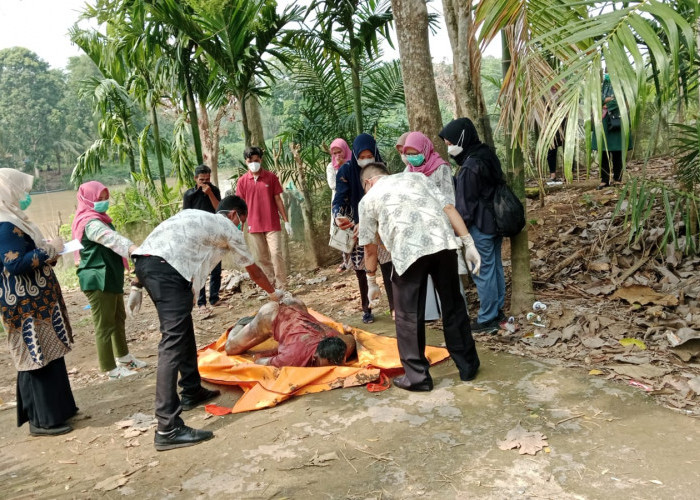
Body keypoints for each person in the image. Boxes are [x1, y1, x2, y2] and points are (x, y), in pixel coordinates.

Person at [131, 195, 285, 451]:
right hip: (167, 271)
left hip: (149, 265)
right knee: (171, 342)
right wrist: (273, 293)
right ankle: (167, 427)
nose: (241, 227)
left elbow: (156, 244)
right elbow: (252, 269)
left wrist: (137, 283)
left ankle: (191, 389)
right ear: (235, 214)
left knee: (181, 330)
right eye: (242, 221)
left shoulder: (192, 216)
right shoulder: (226, 227)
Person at [358, 164, 481, 391]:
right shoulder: (417, 177)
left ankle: (417, 377)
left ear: (367, 183)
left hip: (409, 252)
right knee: (453, 305)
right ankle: (468, 366)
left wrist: (371, 281)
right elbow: (449, 208)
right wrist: (469, 243)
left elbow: (370, 249)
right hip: (443, 244)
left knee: (408, 316)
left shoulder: (368, 199)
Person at [0, 168, 78, 436]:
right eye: (21, 190)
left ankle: (61, 409)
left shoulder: (16, 221)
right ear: (8, 191)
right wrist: (49, 248)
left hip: (38, 301)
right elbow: (15, 263)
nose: (26, 195)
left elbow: (30, 253)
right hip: (24, 306)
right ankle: (42, 421)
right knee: (35, 358)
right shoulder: (4, 226)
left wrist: (50, 252)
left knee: (50, 355)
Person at [72, 181, 147, 379]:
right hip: (97, 279)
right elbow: (110, 238)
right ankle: (109, 368)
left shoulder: (100, 218)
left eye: (106, 198)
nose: (104, 202)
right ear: (87, 199)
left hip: (109, 277)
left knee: (118, 318)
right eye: (100, 199)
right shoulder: (90, 222)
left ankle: (124, 357)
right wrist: (133, 250)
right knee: (104, 324)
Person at [439, 117, 507, 334]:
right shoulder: (486, 154)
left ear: (463, 138)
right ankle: (497, 311)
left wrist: (462, 232)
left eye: (451, 143)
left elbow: (465, 206)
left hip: (480, 225)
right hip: (496, 222)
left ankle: (487, 318)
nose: (449, 147)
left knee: (483, 271)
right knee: (494, 267)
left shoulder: (470, 166)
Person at [332, 133, 394, 323]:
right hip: (356, 228)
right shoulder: (346, 171)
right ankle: (367, 308)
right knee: (362, 270)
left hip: (381, 226)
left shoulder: (381, 170)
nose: (366, 159)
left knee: (388, 268)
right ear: (356, 154)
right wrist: (338, 217)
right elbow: (339, 200)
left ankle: (395, 308)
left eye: (369, 155)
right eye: (362, 156)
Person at [403, 131, 458, 321]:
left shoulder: (441, 167)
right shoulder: (408, 172)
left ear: (424, 149)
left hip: (439, 229)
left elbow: (449, 199)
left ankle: (454, 313)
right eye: (408, 153)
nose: (412, 157)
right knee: (423, 275)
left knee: (446, 277)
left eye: (414, 152)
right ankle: (429, 314)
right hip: (418, 231)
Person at [225, 296, 356, 367]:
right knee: (231, 348)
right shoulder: (295, 357)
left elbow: (352, 337)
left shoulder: (345, 345)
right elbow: (259, 362)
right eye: (320, 366)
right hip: (270, 315)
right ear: (314, 357)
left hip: (298, 306)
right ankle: (241, 323)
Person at [235, 146, 292, 289]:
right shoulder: (242, 181)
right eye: (250, 161)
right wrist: (239, 227)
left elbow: (278, 199)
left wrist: (286, 221)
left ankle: (282, 285)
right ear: (246, 161)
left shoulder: (271, 177)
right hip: (253, 225)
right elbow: (239, 206)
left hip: (272, 223)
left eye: (256, 160)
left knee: (276, 253)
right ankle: (271, 285)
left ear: (261, 159)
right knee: (262, 258)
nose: (253, 163)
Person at [182, 164, 223, 315]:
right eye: (202, 180)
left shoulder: (214, 190)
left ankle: (214, 297)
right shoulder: (189, 195)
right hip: (197, 236)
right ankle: (201, 302)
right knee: (199, 270)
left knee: (216, 268)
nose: (205, 182)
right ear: (195, 179)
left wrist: (210, 193)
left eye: (207, 179)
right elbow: (185, 216)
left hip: (214, 233)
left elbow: (219, 209)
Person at [594, 69, 632, 189]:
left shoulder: (622, 83)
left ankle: (617, 179)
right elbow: (595, 99)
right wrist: (605, 100)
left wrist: (607, 104)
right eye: (607, 71)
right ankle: (604, 180)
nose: (608, 73)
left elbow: (622, 100)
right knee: (603, 151)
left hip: (617, 121)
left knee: (617, 151)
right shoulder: (601, 84)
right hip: (602, 122)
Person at [326, 138, 352, 273]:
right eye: (334, 153)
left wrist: (346, 167)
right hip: (340, 201)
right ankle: (345, 260)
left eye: (339, 152)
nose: (337, 156)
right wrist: (341, 170)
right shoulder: (331, 167)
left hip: (352, 200)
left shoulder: (353, 163)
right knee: (342, 229)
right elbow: (333, 185)